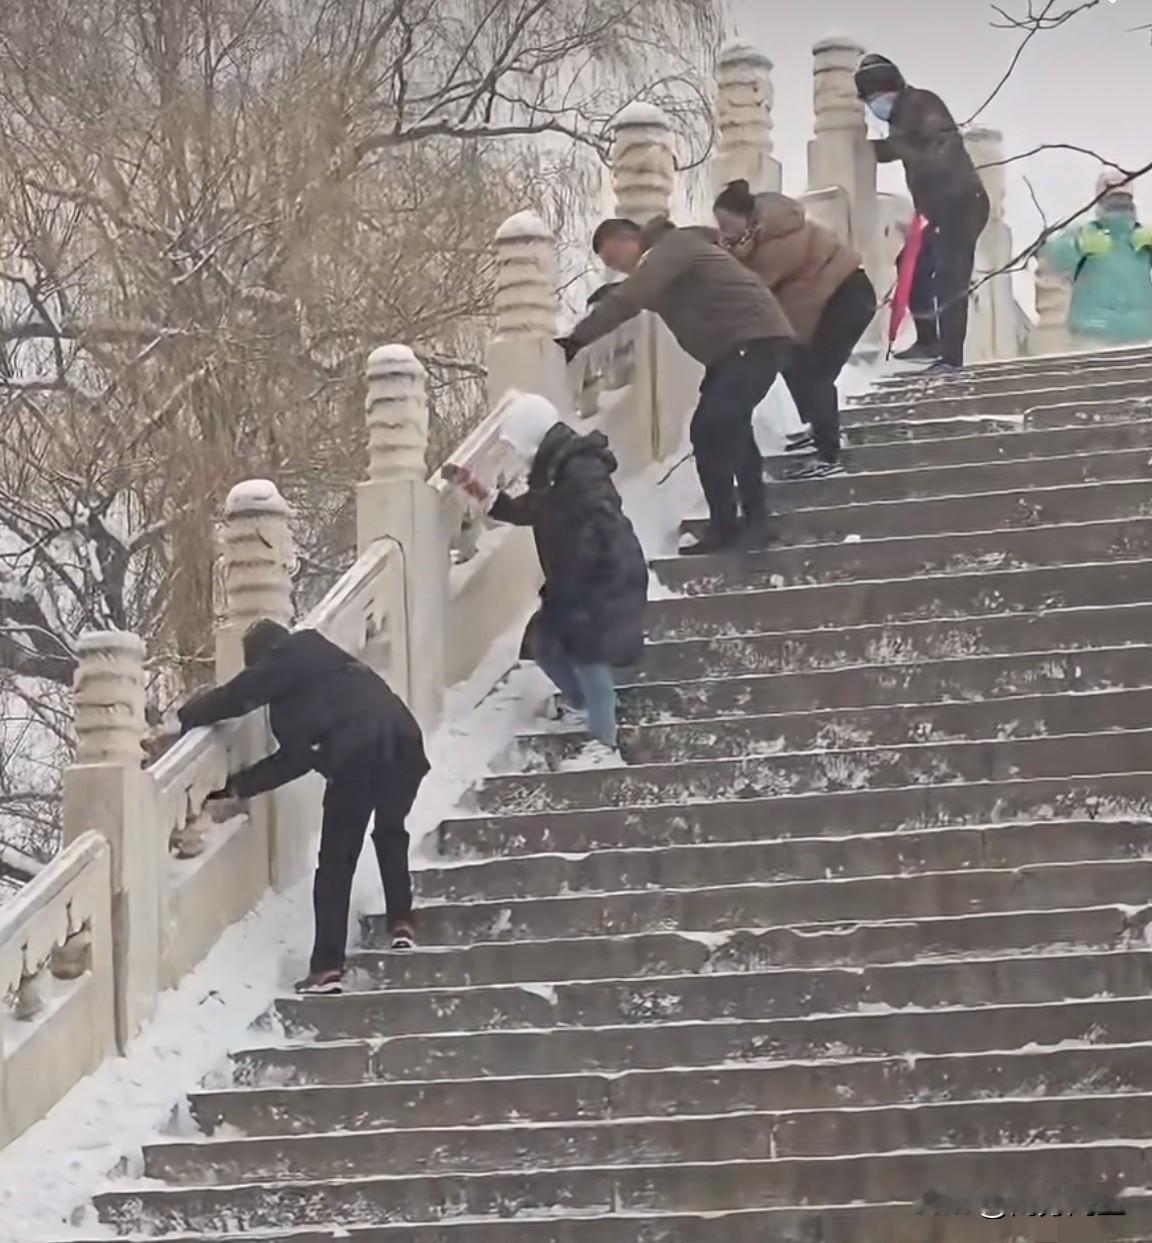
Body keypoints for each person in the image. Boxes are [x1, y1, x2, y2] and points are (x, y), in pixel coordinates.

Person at [177, 620, 429, 995]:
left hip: (354, 754)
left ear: (263, 657)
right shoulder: (325, 669)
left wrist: (187, 715)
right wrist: (236, 786)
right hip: (403, 740)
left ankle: (327, 968)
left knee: (336, 864)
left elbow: (237, 697)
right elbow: (295, 760)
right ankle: (401, 922)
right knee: (390, 831)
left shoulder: (289, 655)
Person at [557, 216, 795, 555]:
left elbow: (631, 297)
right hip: (734, 350)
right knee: (711, 431)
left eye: (614, 258)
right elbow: (634, 294)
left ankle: (754, 522)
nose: (617, 268)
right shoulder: (667, 259)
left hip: (753, 340)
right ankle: (728, 525)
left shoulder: (670, 247)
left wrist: (575, 340)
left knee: (722, 425)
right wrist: (604, 302)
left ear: (629, 240)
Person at [446, 394, 648, 759]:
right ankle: (582, 705)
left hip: (604, 577)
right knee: (545, 643)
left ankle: (604, 744)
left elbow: (595, 526)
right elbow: (536, 509)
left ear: (532, 440)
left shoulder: (579, 473)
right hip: (579, 581)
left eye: (517, 447)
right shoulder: (560, 472)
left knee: (589, 656)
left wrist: (581, 581)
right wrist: (478, 491)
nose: (517, 456)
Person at [713, 180, 877, 478]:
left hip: (846, 297)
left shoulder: (776, 242)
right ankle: (820, 427)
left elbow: (753, 284)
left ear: (747, 218)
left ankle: (828, 454)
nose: (723, 232)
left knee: (816, 373)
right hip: (829, 301)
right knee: (794, 361)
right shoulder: (764, 232)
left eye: (726, 225)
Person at [855, 52, 990, 372]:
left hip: (960, 204)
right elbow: (904, 147)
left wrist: (879, 148)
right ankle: (929, 340)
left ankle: (951, 357)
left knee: (950, 275)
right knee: (911, 264)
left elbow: (934, 148)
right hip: (938, 210)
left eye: (876, 97)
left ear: (893, 87)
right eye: (869, 100)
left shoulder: (921, 105)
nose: (875, 105)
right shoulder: (902, 116)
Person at [1042, 170, 1152, 347]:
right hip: (1094, 334)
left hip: (1141, 334)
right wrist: (1078, 245)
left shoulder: (1143, 237)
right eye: (1114, 196)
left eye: (1123, 197)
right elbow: (1053, 257)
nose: (1119, 201)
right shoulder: (1084, 232)